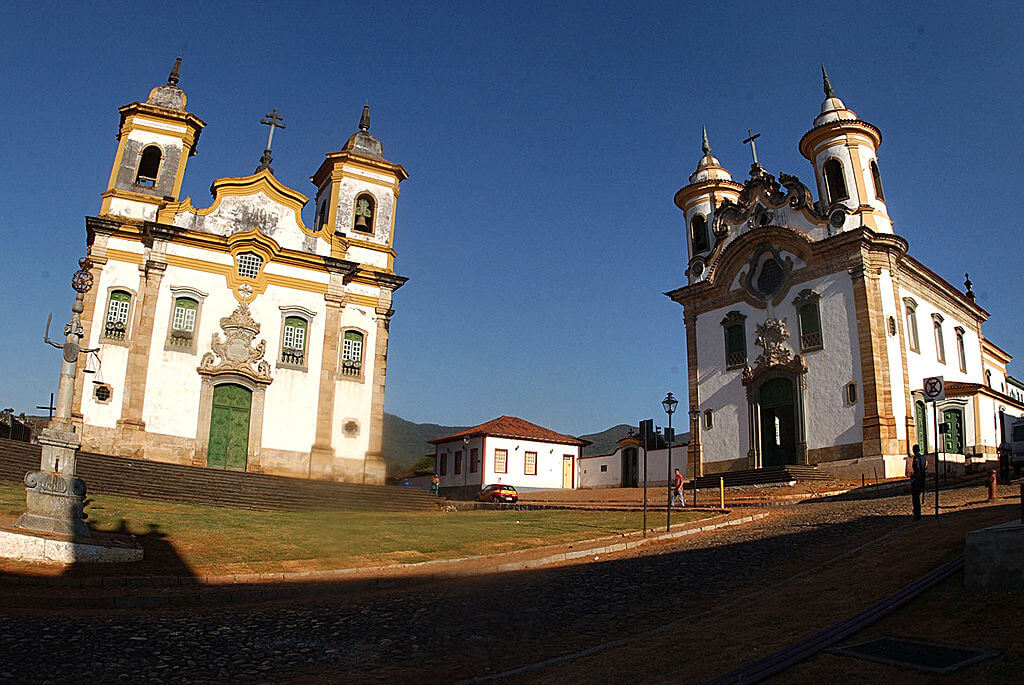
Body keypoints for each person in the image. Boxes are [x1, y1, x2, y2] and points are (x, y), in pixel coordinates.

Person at [911, 444, 926, 520]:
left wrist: (915, 475)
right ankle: (918, 513)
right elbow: (926, 465)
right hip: (922, 479)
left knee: (915, 498)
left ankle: (917, 514)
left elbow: (917, 466)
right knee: (917, 497)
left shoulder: (916, 458)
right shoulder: (923, 457)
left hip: (917, 479)